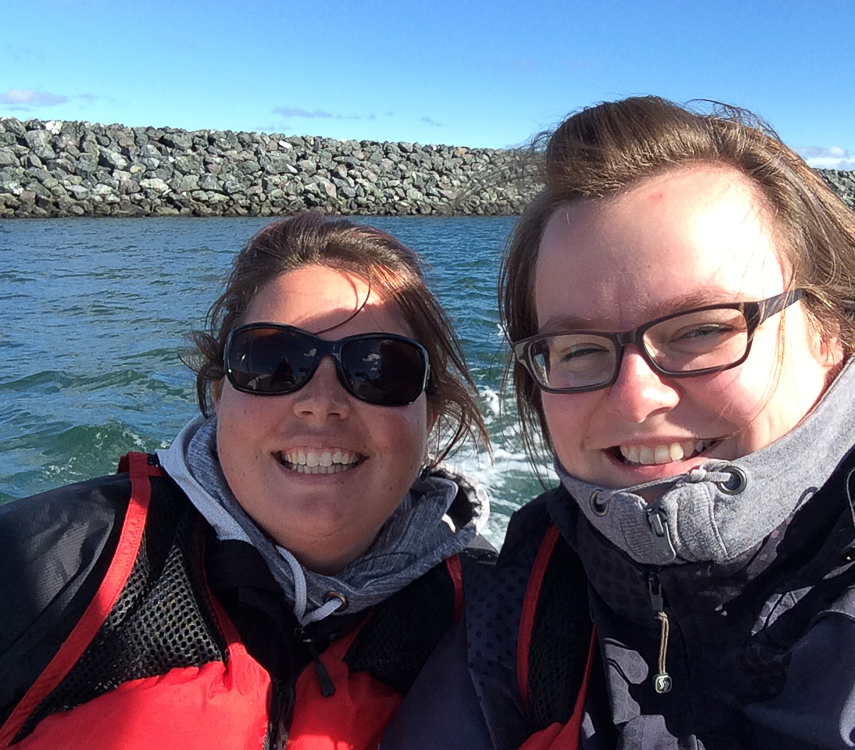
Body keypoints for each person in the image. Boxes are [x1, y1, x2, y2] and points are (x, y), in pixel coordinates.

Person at [382, 97, 855, 749]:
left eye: (703, 330)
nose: (634, 397)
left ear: (833, 330)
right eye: (581, 348)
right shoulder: (519, 613)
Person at [0, 212, 492, 749]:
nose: (321, 404)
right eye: (273, 362)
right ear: (218, 395)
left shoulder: (499, 618)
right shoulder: (48, 569)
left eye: (379, 369)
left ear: (431, 413)